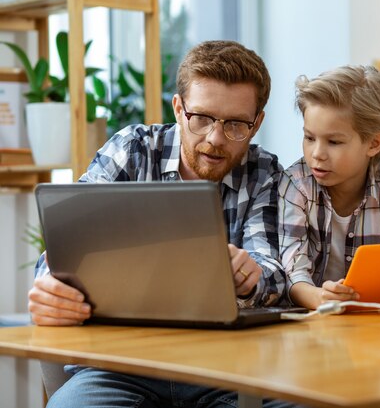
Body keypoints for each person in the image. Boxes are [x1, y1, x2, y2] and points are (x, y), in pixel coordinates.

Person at [28, 40, 285, 408]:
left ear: (256, 123)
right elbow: (65, 250)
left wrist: (253, 275)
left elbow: (276, 270)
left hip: (227, 366)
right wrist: (51, 289)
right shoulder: (131, 150)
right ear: (179, 109)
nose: (215, 139)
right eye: (202, 118)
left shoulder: (265, 173)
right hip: (119, 364)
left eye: (235, 125)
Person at [278, 65, 380, 311]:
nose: (317, 154)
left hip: (372, 321)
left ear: (374, 143)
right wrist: (317, 298)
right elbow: (293, 273)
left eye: (334, 142)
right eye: (309, 138)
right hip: (312, 321)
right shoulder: (295, 184)